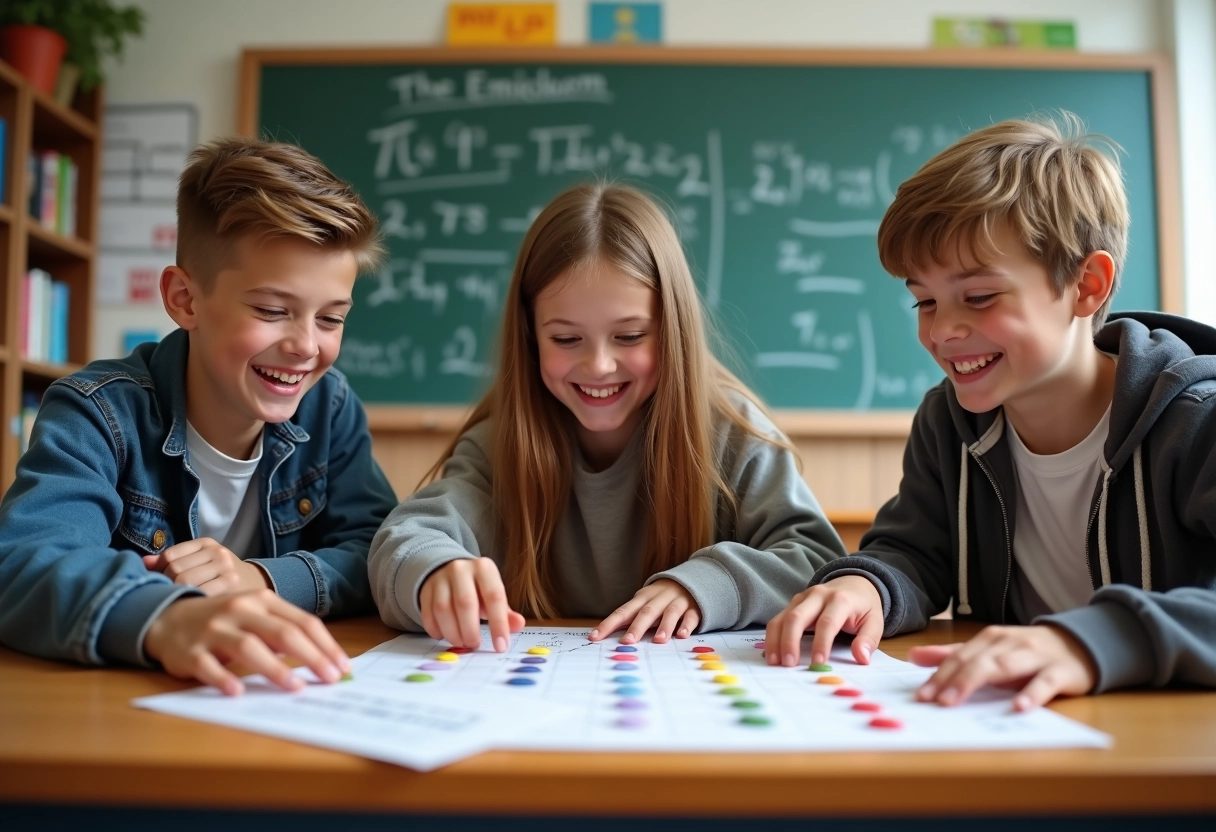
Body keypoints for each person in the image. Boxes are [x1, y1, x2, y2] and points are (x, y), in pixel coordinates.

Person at [765, 113, 1216, 710]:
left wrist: (1089, 642)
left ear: (1086, 286)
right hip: (1017, 725)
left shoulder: (1195, 420)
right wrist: (865, 583)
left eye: (978, 297)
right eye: (924, 300)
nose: (943, 330)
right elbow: (913, 552)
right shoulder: (949, 423)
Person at [369, 182, 846, 650]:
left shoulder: (735, 437)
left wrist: (706, 585)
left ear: (671, 330)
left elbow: (816, 559)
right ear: (532, 337)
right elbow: (405, 539)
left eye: (630, 336)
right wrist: (434, 570)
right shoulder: (499, 446)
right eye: (566, 339)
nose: (598, 365)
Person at [0, 137, 398, 695]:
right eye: (271, 311)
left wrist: (259, 579)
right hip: (130, 708)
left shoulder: (329, 406)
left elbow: (376, 550)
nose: (307, 346)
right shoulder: (97, 412)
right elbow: (22, 566)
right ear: (185, 299)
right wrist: (167, 614)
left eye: (331, 319)